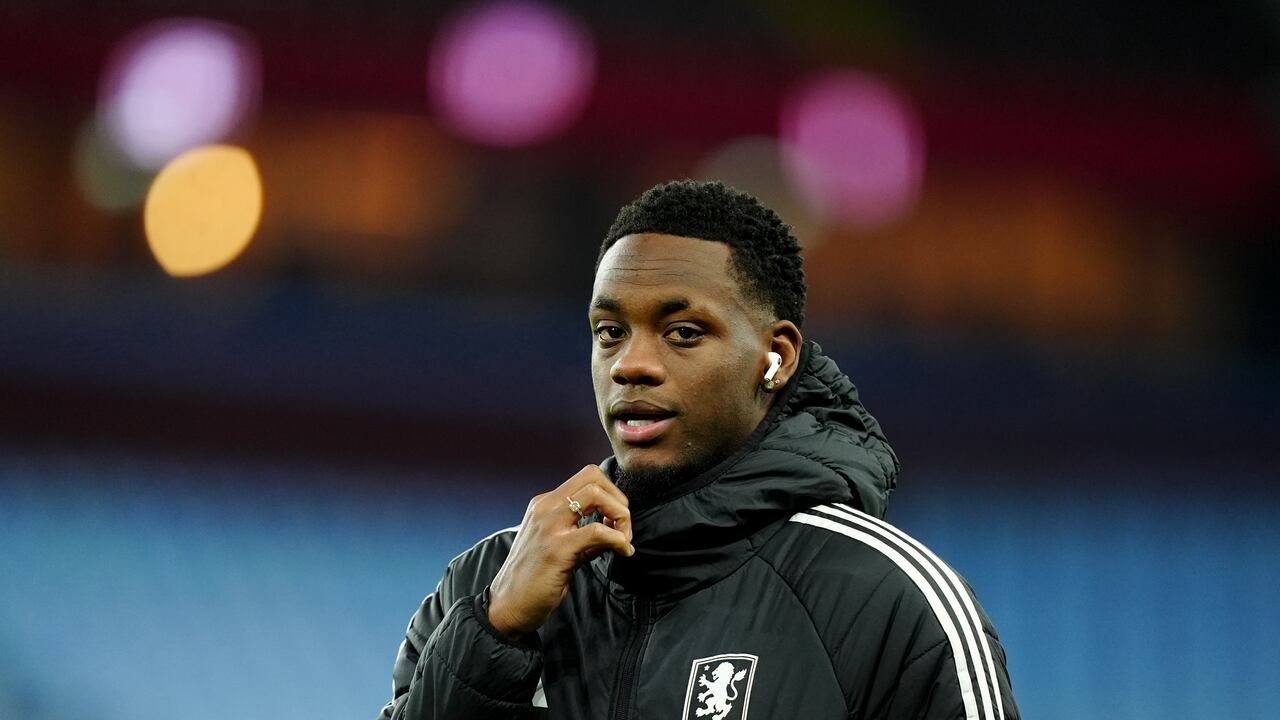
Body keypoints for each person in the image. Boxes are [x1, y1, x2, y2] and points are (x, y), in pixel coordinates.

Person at [375, 180, 1019, 720]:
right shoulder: (488, 585)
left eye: (683, 333)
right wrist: (495, 636)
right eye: (609, 332)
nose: (631, 364)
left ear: (777, 357)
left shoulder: (889, 601)